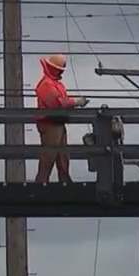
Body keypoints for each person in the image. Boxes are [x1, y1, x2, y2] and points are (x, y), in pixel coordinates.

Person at [34, 54, 88, 184]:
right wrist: (75, 102)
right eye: (58, 69)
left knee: (63, 155)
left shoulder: (56, 84)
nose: (60, 71)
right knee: (49, 155)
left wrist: (73, 104)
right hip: (49, 123)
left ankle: (64, 181)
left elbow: (62, 102)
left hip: (57, 122)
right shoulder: (46, 84)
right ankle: (41, 183)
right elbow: (56, 104)